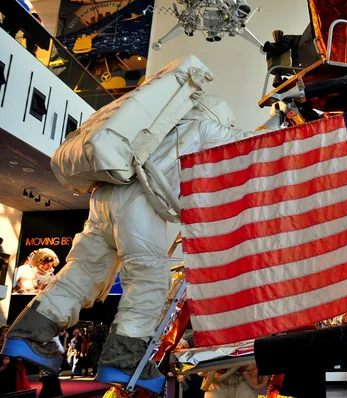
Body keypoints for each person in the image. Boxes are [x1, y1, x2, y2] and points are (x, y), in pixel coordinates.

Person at [1, 76, 257, 393]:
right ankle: (123, 359)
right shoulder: (207, 126)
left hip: (106, 195)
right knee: (149, 277)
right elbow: (250, 145)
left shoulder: (156, 124)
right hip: (141, 202)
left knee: (84, 270)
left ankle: (30, 332)